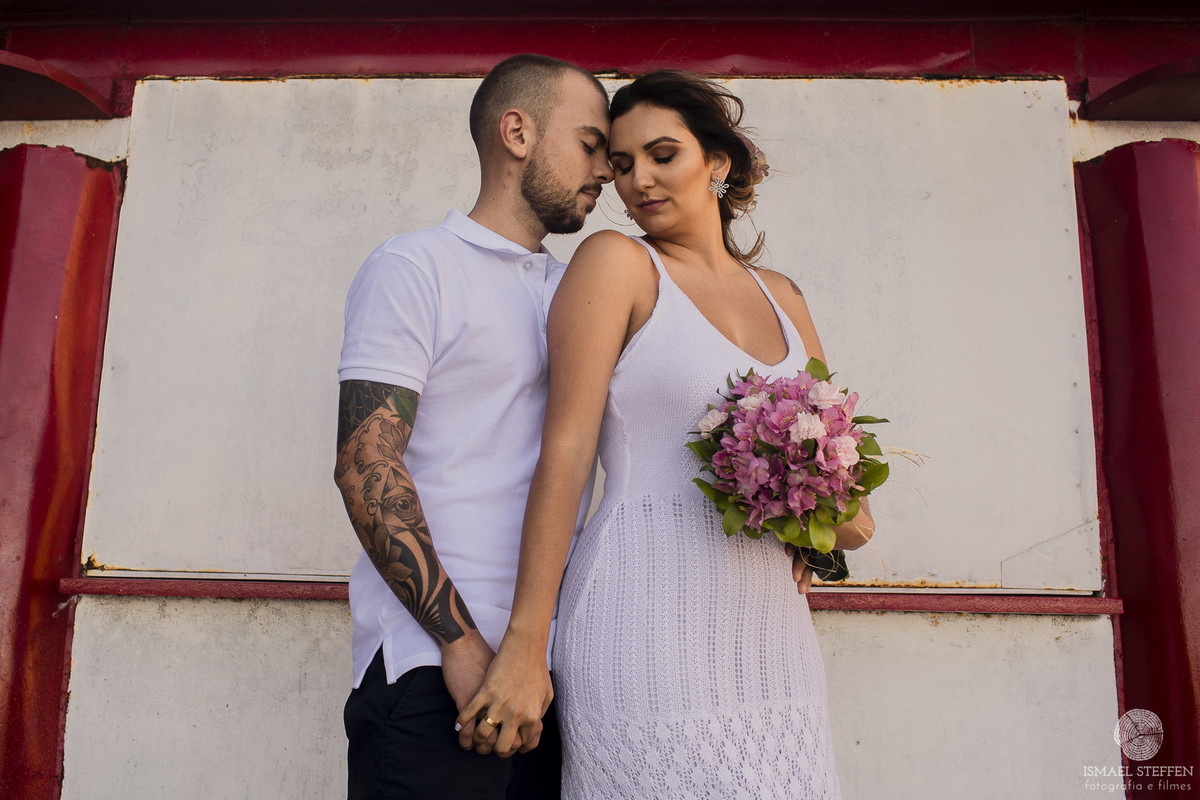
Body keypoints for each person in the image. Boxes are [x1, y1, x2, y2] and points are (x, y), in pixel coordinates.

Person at [459, 70, 874, 798]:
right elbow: (567, 452)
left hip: (768, 625)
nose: (637, 182)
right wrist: (528, 639)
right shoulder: (617, 265)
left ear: (717, 161)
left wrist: (809, 523)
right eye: (620, 165)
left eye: (661, 155)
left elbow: (850, 505)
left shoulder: (784, 298)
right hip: (639, 611)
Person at [332, 53, 613, 800]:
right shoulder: (416, 266)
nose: (608, 171)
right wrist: (457, 644)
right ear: (516, 131)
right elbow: (366, 463)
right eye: (590, 144)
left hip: (560, 682)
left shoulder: (582, 291)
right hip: (433, 674)